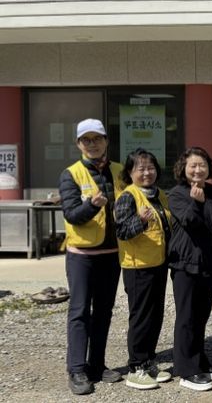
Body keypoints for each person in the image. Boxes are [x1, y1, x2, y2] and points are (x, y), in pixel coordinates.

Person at [59, 118, 125, 395]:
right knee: (79, 311)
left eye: (97, 138)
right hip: (82, 255)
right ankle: (76, 369)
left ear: (106, 141)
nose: (93, 144)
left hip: (112, 253)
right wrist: (91, 206)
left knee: (104, 312)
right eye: (86, 140)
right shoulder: (71, 174)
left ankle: (97, 364)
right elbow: (71, 214)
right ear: (79, 144)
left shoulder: (120, 170)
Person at [114, 149, 173, 390]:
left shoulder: (160, 194)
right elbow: (121, 232)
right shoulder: (128, 197)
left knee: (155, 315)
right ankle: (136, 366)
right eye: (141, 169)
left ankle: (149, 362)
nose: (147, 173)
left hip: (158, 264)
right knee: (140, 317)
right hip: (138, 267)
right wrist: (140, 220)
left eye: (151, 168)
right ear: (130, 172)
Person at [168, 147, 212, 392]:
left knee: (201, 316)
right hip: (184, 263)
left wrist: (203, 202)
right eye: (193, 165)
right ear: (184, 168)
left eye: (202, 165)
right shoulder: (176, 193)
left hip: (208, 263)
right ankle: (186, 370)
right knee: (186, 317)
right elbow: (190, 221)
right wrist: (196, 202)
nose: (198, 170)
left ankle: (199, 360)